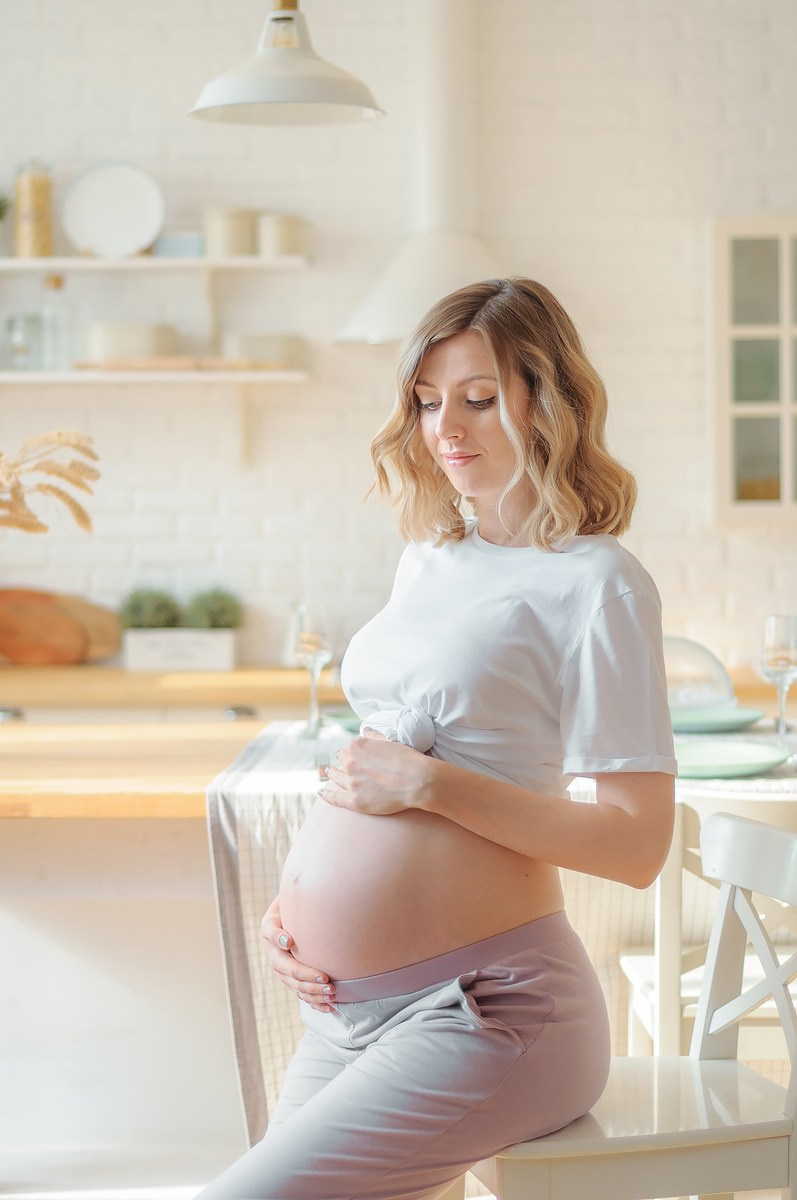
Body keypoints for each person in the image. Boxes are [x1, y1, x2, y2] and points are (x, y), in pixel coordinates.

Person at [197, 277, 677, 1200]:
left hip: (490, 1014)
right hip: (346, 1013)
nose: (445, 427)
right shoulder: (430, 553)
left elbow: (636, 844)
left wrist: (430, 789)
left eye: (479, 398)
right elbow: (381, 763)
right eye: (425, 402)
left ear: (548, 399)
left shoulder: (599, 582)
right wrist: (296, 913)